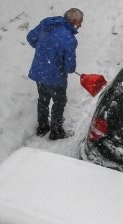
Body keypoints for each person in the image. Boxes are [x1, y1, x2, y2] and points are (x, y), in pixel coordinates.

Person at [26, 8, 83, 140]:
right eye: (80, 22)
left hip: (39, 72)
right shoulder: (69, 39)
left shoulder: (47, 24)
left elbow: (30, 38)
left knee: (43, 99)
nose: (80, 25)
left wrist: (44, 48)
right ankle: (56, 131)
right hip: (55, 77)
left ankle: (42, 127)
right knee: (59, 101)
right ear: (73, 20)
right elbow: (70, 67)